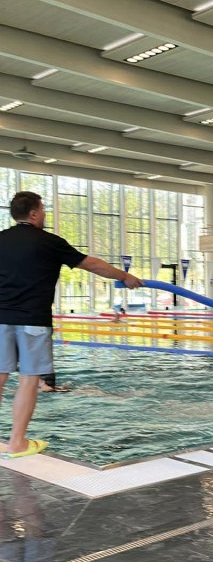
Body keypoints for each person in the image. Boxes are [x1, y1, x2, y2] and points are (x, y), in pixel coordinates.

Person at [0, 191, 142, 459]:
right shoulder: (48, 242)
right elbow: (93, 265)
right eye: (43, 209)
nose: (44, 213)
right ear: (33, 213)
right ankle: (17, 442)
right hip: (33, 320)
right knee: (29, 379)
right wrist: (125, 276)